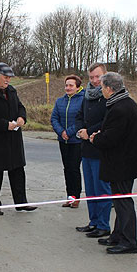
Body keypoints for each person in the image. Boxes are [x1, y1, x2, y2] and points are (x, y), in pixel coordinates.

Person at [91, 72, 137, 254]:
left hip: (123, 163)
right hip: (125, 161)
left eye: (102, 88)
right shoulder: (123, 103)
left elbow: (111, 137)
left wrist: (95, 138)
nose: (101, 91)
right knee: (120, 198)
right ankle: (118, 235)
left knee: (123, 202)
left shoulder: (120, 108)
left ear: (109, 88)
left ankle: (129, 241)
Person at [0, 62, 36, 215]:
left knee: (17, 171)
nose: (7, 80)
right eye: (5, 77)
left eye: (9, 78)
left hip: (14, 139)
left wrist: (22, 117)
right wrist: (5, 125)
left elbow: (21, 107)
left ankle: (21, 202)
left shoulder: (12, 91)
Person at [75, 63, 112, 238]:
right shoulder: (86, 96)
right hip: (86, 149)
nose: (95, 80)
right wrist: (80, 130)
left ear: (105, 76)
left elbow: (107, 120)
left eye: (98, 77)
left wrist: (89, 131)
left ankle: (103, 225)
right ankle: (93, 221)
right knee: (90, 189)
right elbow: (79, 116)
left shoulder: (109, 97)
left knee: (102, 189)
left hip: (101, 150)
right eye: (91, 77)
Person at [51, 75, 84, 208]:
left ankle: (76, 197)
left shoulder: (83, 100)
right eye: (66, 85)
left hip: (76, 141)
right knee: (67, 169)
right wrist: (61, 132)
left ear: (77, 87)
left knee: (74, 169)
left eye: (71, 85)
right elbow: (54, 118)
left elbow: (81, 120)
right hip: (63, 141)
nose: (68, 88)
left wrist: (69, 132)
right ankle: (70, 197)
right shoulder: (60, 101)